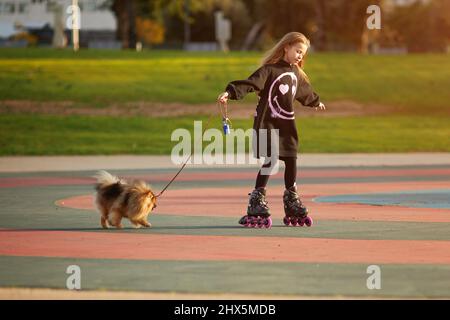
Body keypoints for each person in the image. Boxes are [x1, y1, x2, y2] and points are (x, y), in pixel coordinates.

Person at [217, 32, 326, 228]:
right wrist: (230, 92)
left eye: (303, 53)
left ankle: (292, 199)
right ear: (287, 47)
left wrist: (316, 102)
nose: (300, 55)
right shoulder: (270, 70)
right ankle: (257, 200)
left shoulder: (296, 74)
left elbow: (305, 92)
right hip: (267, 122)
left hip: (286, 124)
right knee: (271, 160)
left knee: (291, 158)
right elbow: (251, 83)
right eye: (297, 50)